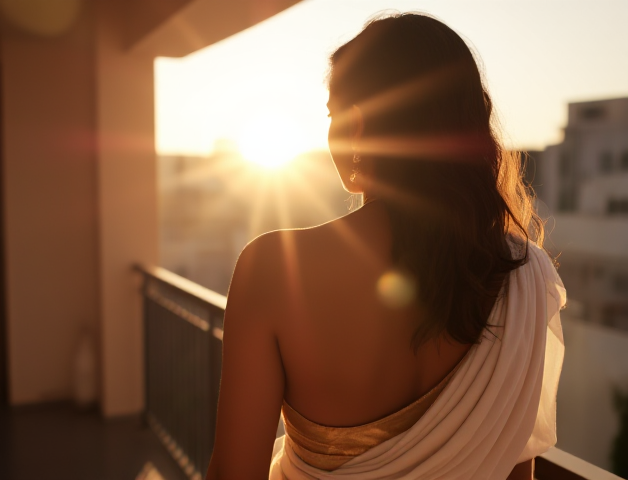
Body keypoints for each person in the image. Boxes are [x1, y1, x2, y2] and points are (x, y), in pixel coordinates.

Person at [206, 12, 565, 480]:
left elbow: (234, 474)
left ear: (357, 126)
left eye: (333, 114)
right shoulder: (524, 276)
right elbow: (519, 469)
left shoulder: (273, 269)